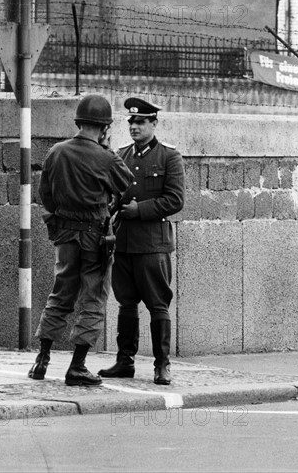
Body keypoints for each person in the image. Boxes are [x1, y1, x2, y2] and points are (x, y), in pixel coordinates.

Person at [28, 94, 134, 386]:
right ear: (104, 128)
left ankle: (42, 360)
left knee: (60, 294)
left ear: (78, 122)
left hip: (65, 235)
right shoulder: (106, 157)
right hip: (95, 238)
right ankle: (77, 366)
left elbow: (45, 195)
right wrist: (105, 148)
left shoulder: (56, 152)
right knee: (93, 298)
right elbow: (124, 185)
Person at [98, 97, 184, 385]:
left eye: (141, 121)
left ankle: (162, 365)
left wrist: (140, 210)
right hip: (123, 242)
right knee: (126, 302)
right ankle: (125, 361)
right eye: (131, 122)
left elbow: (175, 200)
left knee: (158, 303)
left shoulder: (169, 157)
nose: (134, 126)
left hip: (152, 244)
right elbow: (113, 194)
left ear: (154, 124)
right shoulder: (121, 155)